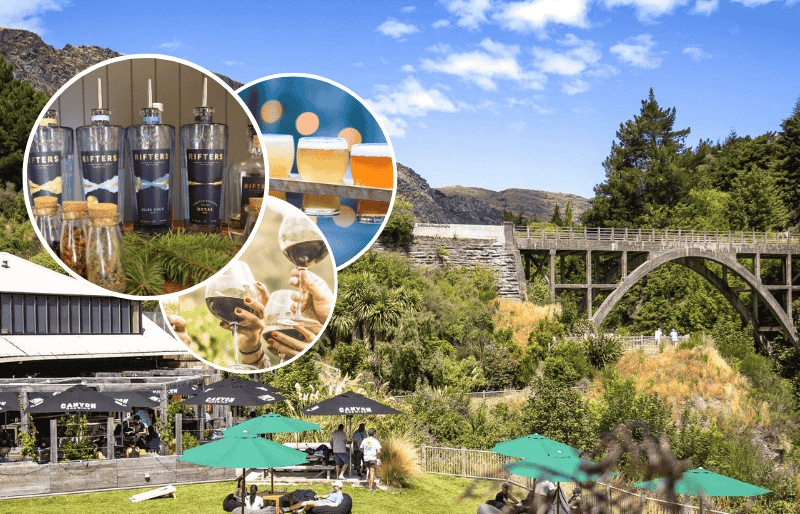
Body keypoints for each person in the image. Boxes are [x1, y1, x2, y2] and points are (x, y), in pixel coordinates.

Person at [360, 428, 382, 492]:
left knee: (369, 471)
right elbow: (379, 451)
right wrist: (376, 452)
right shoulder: (375, 441)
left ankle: (369, 484)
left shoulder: (364, 440)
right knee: (372, 473)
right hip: (372, 458)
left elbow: (361, 448)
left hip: (366, 458)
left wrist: (366, 451)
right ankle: (371, 487)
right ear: (374, 433)